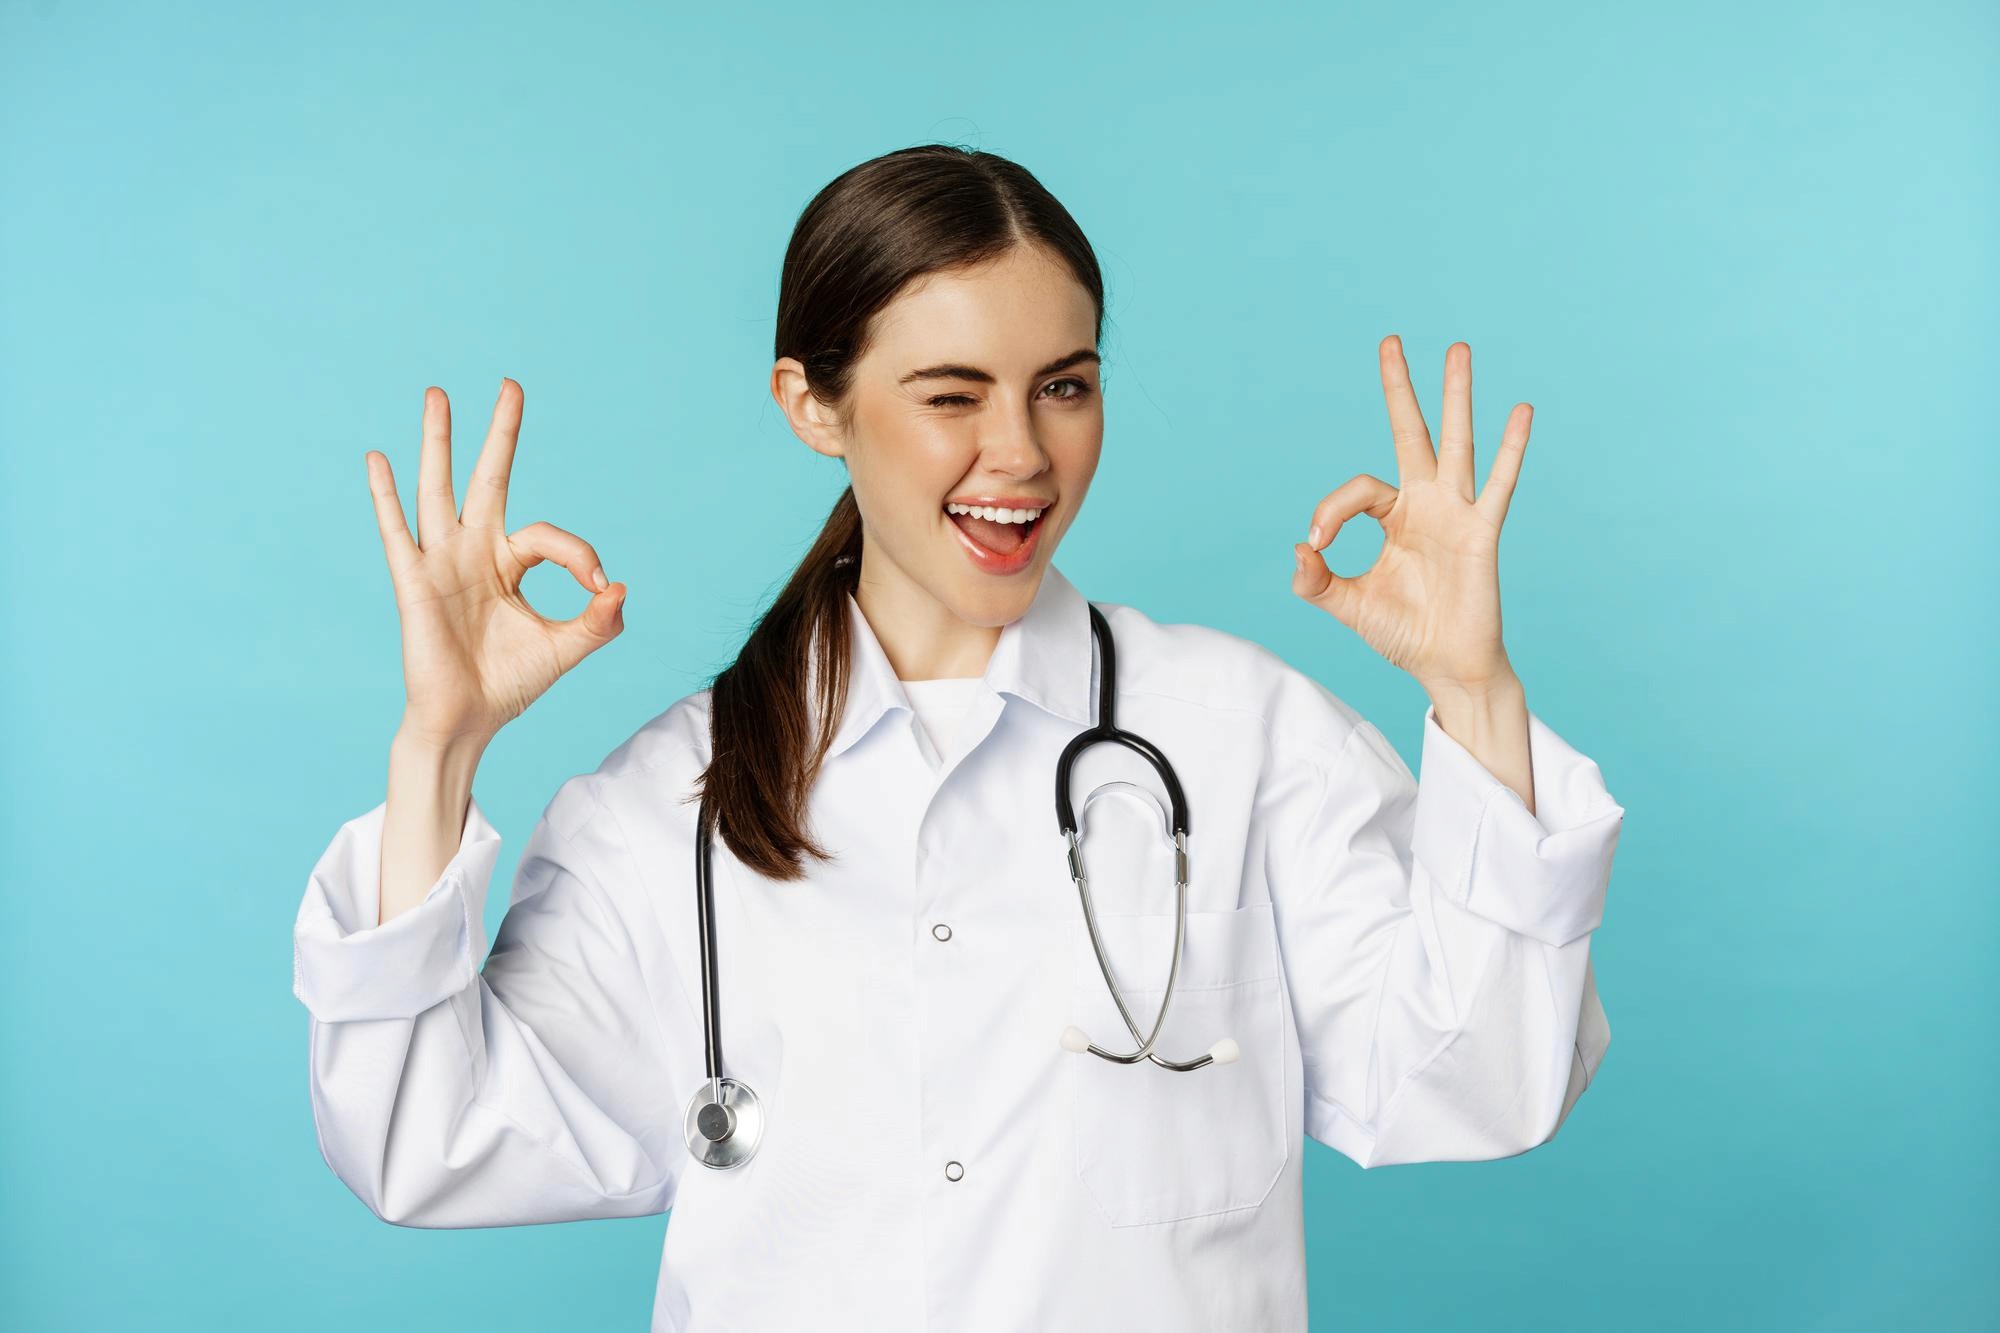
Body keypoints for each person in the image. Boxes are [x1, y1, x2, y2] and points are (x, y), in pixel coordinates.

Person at [290, 144, 1626, 1332]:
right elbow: (424, 1138)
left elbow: (1479, 1082)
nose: (1021, 453)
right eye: (951, 394)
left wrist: (1478, 692)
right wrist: (437, 751)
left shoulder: (1243, 734)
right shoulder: (670, 808)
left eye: (1064, 385)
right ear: (813, 405)